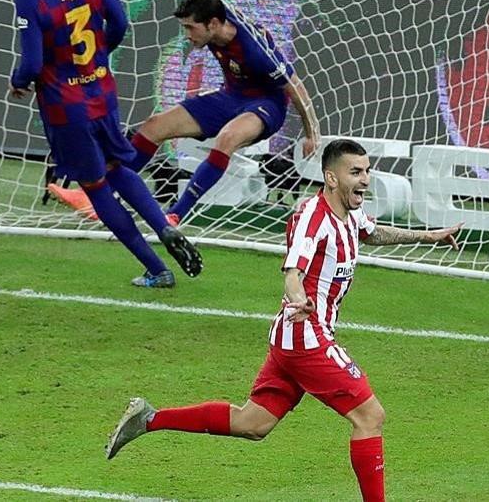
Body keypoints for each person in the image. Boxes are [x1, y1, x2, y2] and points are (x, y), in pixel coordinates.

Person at [105, 139, 463, 501]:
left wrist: (428, 235)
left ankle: (149, 419)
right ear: (331, 178)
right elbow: (293, 270)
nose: (365, 179)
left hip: (291, 338)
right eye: (356, 172)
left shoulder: (350, 213)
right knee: (370, 416)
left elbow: (371, 232)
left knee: (253, 424)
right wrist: (298, 299)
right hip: (308, 337)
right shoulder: (313, 217)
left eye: (367, 171)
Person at [51, 0, 322, 242]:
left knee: (228, 137)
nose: (187, 35)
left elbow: (295, 87)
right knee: (154, 126)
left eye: (191, 28)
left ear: (214, 24)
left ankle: (176, 214)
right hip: (231, 96)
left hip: (267, 106)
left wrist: (311, 132)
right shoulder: (212, 2)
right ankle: (96, 197)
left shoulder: (255, 49)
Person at [8, 0, 203, 288]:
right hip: (101, 90)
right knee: (119, 168)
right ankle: (164, 226)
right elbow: (120, 23)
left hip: (66, 107)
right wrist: (98, 57)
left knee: (96, 186)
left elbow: (31, 63)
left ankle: (156, 268)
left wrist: (18, 81)